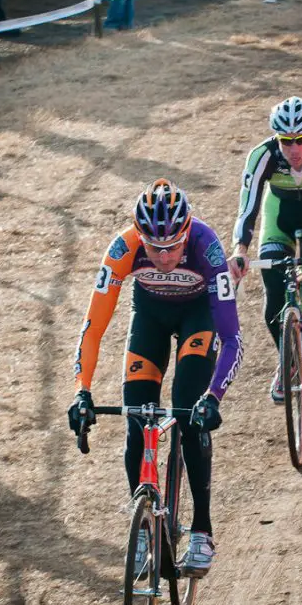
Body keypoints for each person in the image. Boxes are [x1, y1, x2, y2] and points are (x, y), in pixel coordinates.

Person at [68, 179, 243, 577]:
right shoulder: (123, 247)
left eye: (172, 247)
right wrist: (83, 392)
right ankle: (145, 527)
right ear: (138, 236)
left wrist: (213, 396)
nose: (163, 258)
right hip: (149, 315)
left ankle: (202, 529)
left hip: (198, 315)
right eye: (153, 248)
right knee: (137, 420)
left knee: (188, 408)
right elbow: (92, 328)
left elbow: (232, 338)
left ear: (187, 234)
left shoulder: (207, 246)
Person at [228, 97, 302, 404]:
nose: (294, 150)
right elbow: (248, 206)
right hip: (278, 213)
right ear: (276, 138)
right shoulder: (261, 155)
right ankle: (288, 359)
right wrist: (240, 249)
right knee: (272, 286)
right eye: (286, 141)